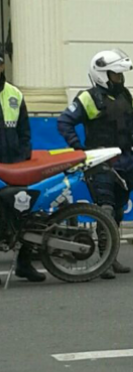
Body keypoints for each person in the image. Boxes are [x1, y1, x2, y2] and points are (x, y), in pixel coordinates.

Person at [58, 49, 133, 279]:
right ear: (101, 74)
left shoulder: (127, 96)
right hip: (100, 162)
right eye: (115, 75)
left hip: (125, 161)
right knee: (105, 209)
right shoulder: (88, 98)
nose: (119, 79)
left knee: (117, 211)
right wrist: (79, 148)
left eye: (119, 75)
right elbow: (65, 122)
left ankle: (111, 256)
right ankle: (105, 260)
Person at [0, 56, 43, 282]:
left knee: (25, 212)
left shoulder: (14, 94)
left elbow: (24, 131)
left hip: (15, 166)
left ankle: (24, 264)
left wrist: (23, 158)